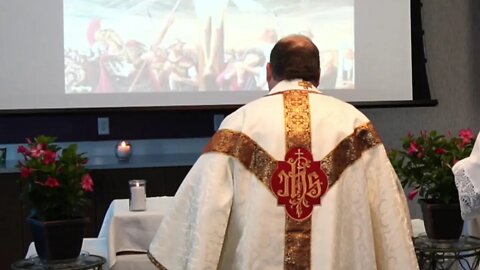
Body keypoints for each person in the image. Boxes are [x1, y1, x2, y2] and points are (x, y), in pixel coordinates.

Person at [148, 34, 419, 269]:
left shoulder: (239, 124)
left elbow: (204, 208)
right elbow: (387, 214)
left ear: (269, 71)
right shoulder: (354, 124)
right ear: (318, 73)